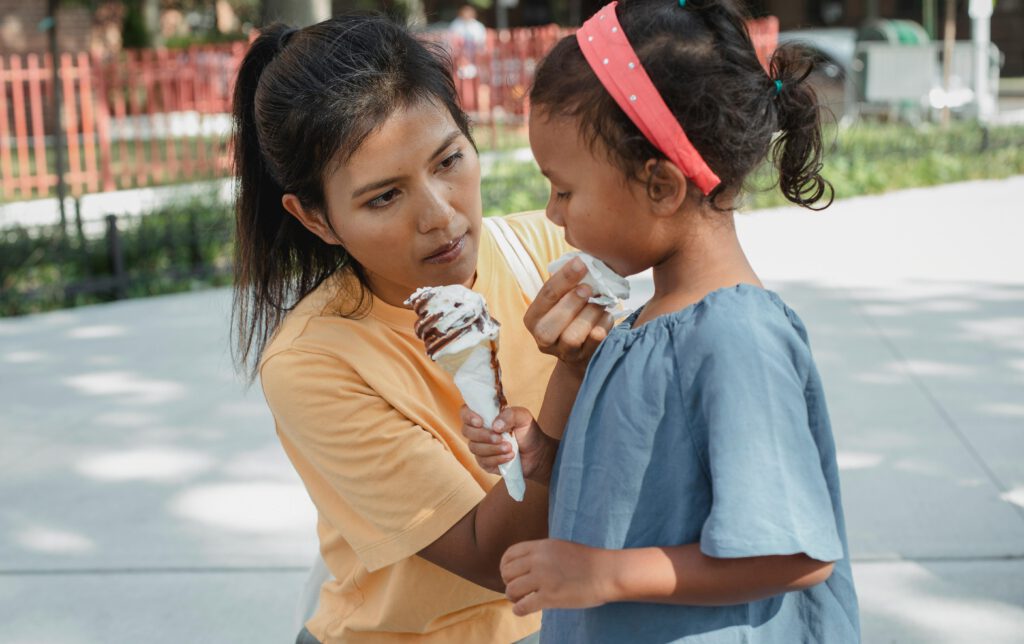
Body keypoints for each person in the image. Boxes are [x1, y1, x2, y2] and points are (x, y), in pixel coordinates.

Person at [461, 0, 861, 641]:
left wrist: (605, 574)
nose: (552, 214)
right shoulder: (643, 323)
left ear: (661, 186)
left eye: (564, 190)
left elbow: (798, 553)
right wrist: (545, 458)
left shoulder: (736, 337)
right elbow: (643, 492)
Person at [230, 14, 610, 644]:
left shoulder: (547, 254)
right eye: (384, 197)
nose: (440, 214)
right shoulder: (313, 360)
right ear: (316, 218)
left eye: (448, 160)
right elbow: (494, 564)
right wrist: (571, 376)